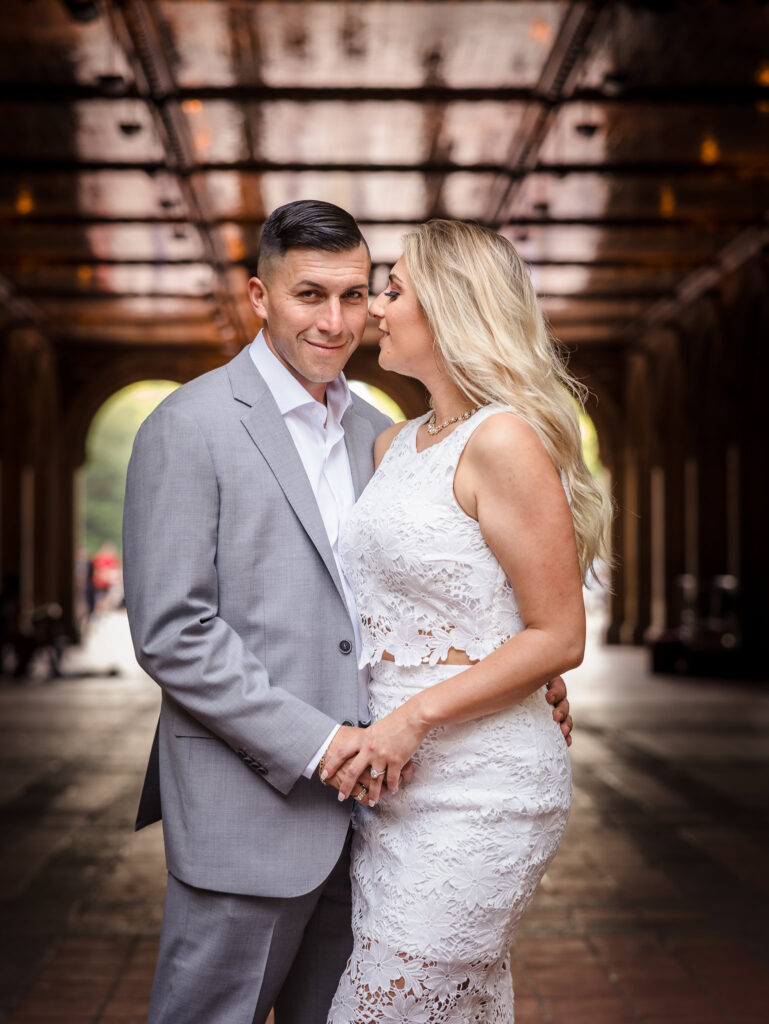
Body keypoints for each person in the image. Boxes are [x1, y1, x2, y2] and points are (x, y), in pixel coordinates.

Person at [122, 201, 572, 1024]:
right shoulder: (189, 426)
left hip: (387, 810)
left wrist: (525, 668)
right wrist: (323, 744)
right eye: (308, 295)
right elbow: (173, 633)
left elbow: (443, 582)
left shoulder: (385, 432)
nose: (337, 322)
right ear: (259, 296)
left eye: (358, 294)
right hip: (255, 802)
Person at [324, 219, 613, 1021]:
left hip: (481, 788)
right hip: (390, 789)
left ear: (449, 306)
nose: (373, 309)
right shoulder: (395, 446)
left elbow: (558, 635)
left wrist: (412, 719)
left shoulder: (505, 440)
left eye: (392, 289)